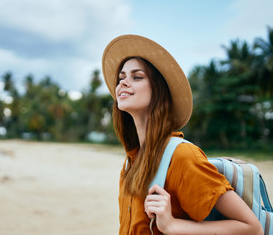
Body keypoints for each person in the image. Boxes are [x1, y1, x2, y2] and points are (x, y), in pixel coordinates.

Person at [101, 35, 263, 235]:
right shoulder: (130, 162)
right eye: (121, 78)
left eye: (137, 76)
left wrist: (172, 226)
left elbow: (252, 228)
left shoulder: (182, 156)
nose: (123, 83)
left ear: (159, 90)